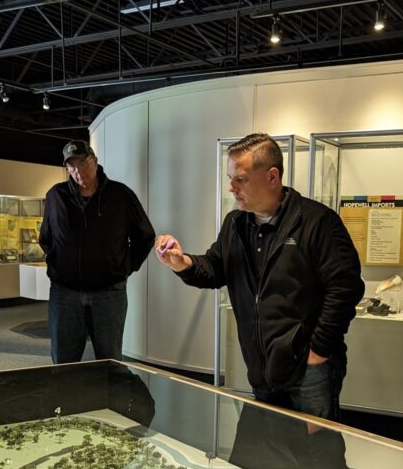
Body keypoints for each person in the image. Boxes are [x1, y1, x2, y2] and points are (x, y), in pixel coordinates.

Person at [155, 132, 363, 420]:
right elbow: (216, 268)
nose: (231, 187)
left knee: (318, 456)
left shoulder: (318, 223)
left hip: (310, 369)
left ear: (272, 176)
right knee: (267, 453)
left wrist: (318, 352)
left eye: (240, 179)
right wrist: (182, 262)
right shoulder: (236, 224)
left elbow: (345, 290)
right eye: (230, 178)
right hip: (262, 369)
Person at [39, 139, 155, 364]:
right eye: (71, 166)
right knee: (63, 363)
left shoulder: (121, 195)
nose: (77, 170)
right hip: (65, 294)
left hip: (109, 293)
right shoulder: (56, 196)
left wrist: (124, 267)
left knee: (110, 363)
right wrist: (61, 263)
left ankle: (109, 402)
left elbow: (145, 236)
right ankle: (65, 401)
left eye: (82, 162)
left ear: (94, 161)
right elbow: (46, 238)